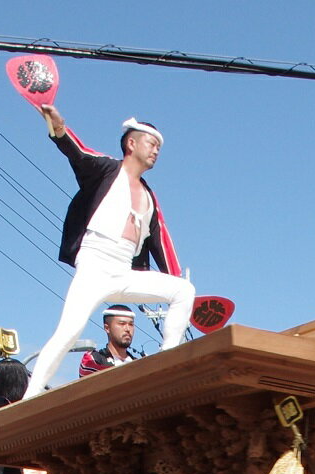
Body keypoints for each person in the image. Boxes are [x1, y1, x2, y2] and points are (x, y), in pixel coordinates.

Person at [28, 107, 194, 392]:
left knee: (183, 291)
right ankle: (29, 396)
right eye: (152, 143)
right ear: (131, 143)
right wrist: (59, 130)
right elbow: (79, 154)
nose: (156, 151)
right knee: (67, 333)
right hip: (94, 264)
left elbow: (160, 244)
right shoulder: (107, 170)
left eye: (158, 147)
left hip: (124, 271)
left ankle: (167, 364)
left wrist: (176, 276)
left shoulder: (149, 196)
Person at [78, 305, 141, 377]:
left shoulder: (139, 365)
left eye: (131, 324)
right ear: (107, 328)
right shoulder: (94, 360)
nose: (127, 329)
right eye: (122, 324)